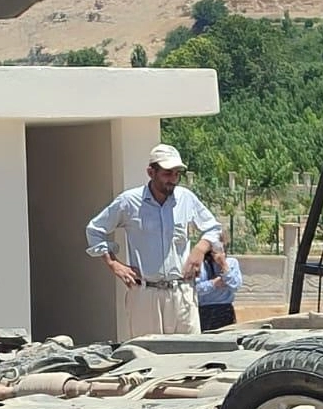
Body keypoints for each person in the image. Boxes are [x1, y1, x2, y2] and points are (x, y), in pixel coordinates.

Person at [85, 143, 221, 337]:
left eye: (177, 174)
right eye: (167, 173)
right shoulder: (129, 202)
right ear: (151, 172)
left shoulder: (186, 199)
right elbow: (95, 230)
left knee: (189, 352)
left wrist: (200, 249)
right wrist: (114, 264)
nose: (173, 179)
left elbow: (213, 228)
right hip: (145, 294)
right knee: (146, 352)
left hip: (181, 293)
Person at [196, 241, 243, 331]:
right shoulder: (201, 265)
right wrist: (213, 283)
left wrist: (224, 265)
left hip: (225, 308)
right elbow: (196, 289)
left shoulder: (232, 263)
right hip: (206, 309)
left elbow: (236, 286)